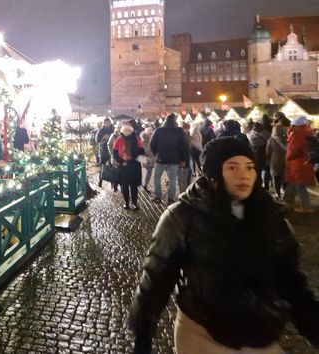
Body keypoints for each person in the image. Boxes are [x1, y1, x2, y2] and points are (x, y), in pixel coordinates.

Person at [129, 137, 319, 354]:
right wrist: (143, 333)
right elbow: (156, 276)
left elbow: (290, 279)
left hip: (262, 335)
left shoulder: (271, 216)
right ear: (214, 174)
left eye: (250, 167)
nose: (243, 174)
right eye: (232, 167)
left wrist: (312, 323)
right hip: (203, 333)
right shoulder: (183, 215)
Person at [150, 113, 188, 204]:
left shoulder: (159, 130)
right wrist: (183, 159)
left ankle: (158, 196)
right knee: (172, 178)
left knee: (157, 177)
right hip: (174, 159)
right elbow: (183, 146)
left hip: (161, 158)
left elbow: (152, 143)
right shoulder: (179, 131)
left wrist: (156, 153)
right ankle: (171, 198)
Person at [284, 116, 315, 211]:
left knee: (299, 185)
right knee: (293, 183)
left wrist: (287, 158)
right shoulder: (309, 132)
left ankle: (305, 206)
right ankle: (289, 201)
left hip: (296, 163)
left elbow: (292, 150)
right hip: (305, 162)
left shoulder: (297, 134)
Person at [112, 123, 145, 210]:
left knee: (133, 186)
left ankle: (134, 203)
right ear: (122, 131)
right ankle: (126, 203)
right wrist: (121, 161)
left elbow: (142, 151)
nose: (127, 132)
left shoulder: (136, 139)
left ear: (131, 131)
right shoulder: (119, 140)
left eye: (129, 130)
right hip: (123, 166)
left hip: (134, 165)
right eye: (125, 130)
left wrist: (135, 154)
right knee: (125, 186)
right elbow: (114, 152)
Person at [266, 119, 288, 198]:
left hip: (274, 161)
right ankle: (285, 193)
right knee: (285, 178)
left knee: (276, 178)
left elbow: (268, 152)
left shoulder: (271, 140)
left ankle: (278, 193)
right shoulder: (287, 139)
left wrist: (268, 161)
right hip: (286, 161)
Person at [95, 118, 115, 187]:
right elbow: (97, 140)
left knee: (112, 167)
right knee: (102, 167)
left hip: (112, 152)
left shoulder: (113, 130)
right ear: (104, 123)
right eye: (106, 122)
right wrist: (103, 138)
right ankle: (100, 181)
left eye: (109, 122)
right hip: (103, 151)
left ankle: (112, 182)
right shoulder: (101, 130)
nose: (108, 124)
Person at [139, 126, 155, 193]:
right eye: (149, 133)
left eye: (151, 133)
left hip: (151, 159)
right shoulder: (142, 141)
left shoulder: (153, 139)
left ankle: (145, 185)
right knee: (144, 173)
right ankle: (143, 185)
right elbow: (141, 150)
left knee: (149, 174)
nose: (150, 134)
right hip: (144, 159)